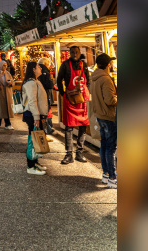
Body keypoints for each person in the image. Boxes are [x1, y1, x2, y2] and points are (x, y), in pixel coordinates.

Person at [57, 46, 90, 164]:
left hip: (81, 101)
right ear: (69, 53)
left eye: (77, 52)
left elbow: (88, 81)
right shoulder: (65, 65)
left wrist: (87, 94)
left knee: (83, 127)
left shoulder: (83, 65)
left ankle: (79, 153)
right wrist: (63, 93)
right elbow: (59, 79)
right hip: (70, 100)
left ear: (79, 52)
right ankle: (69, 154)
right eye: (72, 52)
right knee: (68, 128)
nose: (75, 54)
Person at [90, 53, 117, 188]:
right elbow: (110, 100)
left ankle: (106, 174)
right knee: (111, 148)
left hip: (100, 115)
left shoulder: (94, 78)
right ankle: (113, 177)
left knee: (104, 146)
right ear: (108, 65)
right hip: (108, 116)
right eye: (110, 63)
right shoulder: (106, 79)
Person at [21, 61, 49, 175]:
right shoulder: (30, 83)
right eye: (38, 67)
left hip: (35, 115)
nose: (41, 69)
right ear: (33, 69)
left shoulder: (35, 81)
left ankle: (35, 161)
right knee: (32, 140)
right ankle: (30, 165)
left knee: (36, 138)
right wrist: (37, 116)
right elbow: (32, 101)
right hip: (32, 115)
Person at [37, 58, 56, 140]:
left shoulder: (36, 70)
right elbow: (49, 84)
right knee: (44, 115)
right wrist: (52, 82)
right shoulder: (45, 71)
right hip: (44, 95)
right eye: (48, 64)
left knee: (40, 115)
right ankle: (44, 134)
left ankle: (42, 132)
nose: (48, 65)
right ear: (45, 63)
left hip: (38, 96)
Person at [0, 61, 15, 129]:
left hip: (7, 92)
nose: (5, 67)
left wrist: (10, 83)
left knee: (6, 108)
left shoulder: (7, 73)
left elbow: (12, 81)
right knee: (0, 109)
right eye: (4, 65)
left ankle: (7, 124)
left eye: (6, 65)